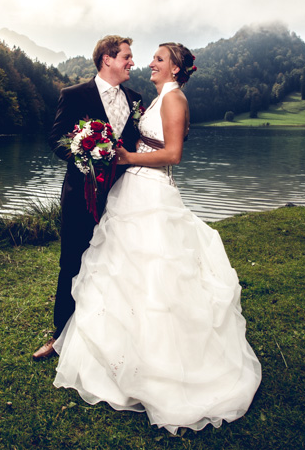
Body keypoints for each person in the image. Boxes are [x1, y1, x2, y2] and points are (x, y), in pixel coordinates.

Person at [52, 43, 262, 433]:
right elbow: (73, 137)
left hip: (149, 189)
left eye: (158, 59)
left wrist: (128, 158)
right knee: (112, 264)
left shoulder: (171, 98)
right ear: (106, 60)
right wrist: (93, 152)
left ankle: (156, 356)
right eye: (137, 58)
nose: (147, 62)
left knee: (153, 269)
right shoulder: (152, 98)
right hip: (124, 189)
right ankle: (83, 337)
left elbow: (174, 153)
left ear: (176, 68)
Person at [33, 35, 143, 360]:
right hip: (81, 195)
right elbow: (56, 137)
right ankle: (59, 337)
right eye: (126, 56)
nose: (131, 63)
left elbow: (138, 143)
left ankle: (108, 337)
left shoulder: (136, 99)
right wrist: (84, 155)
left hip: (124, 197)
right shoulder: (74, 94)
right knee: (72, 263)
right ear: (107, 58)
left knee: (117, 265)